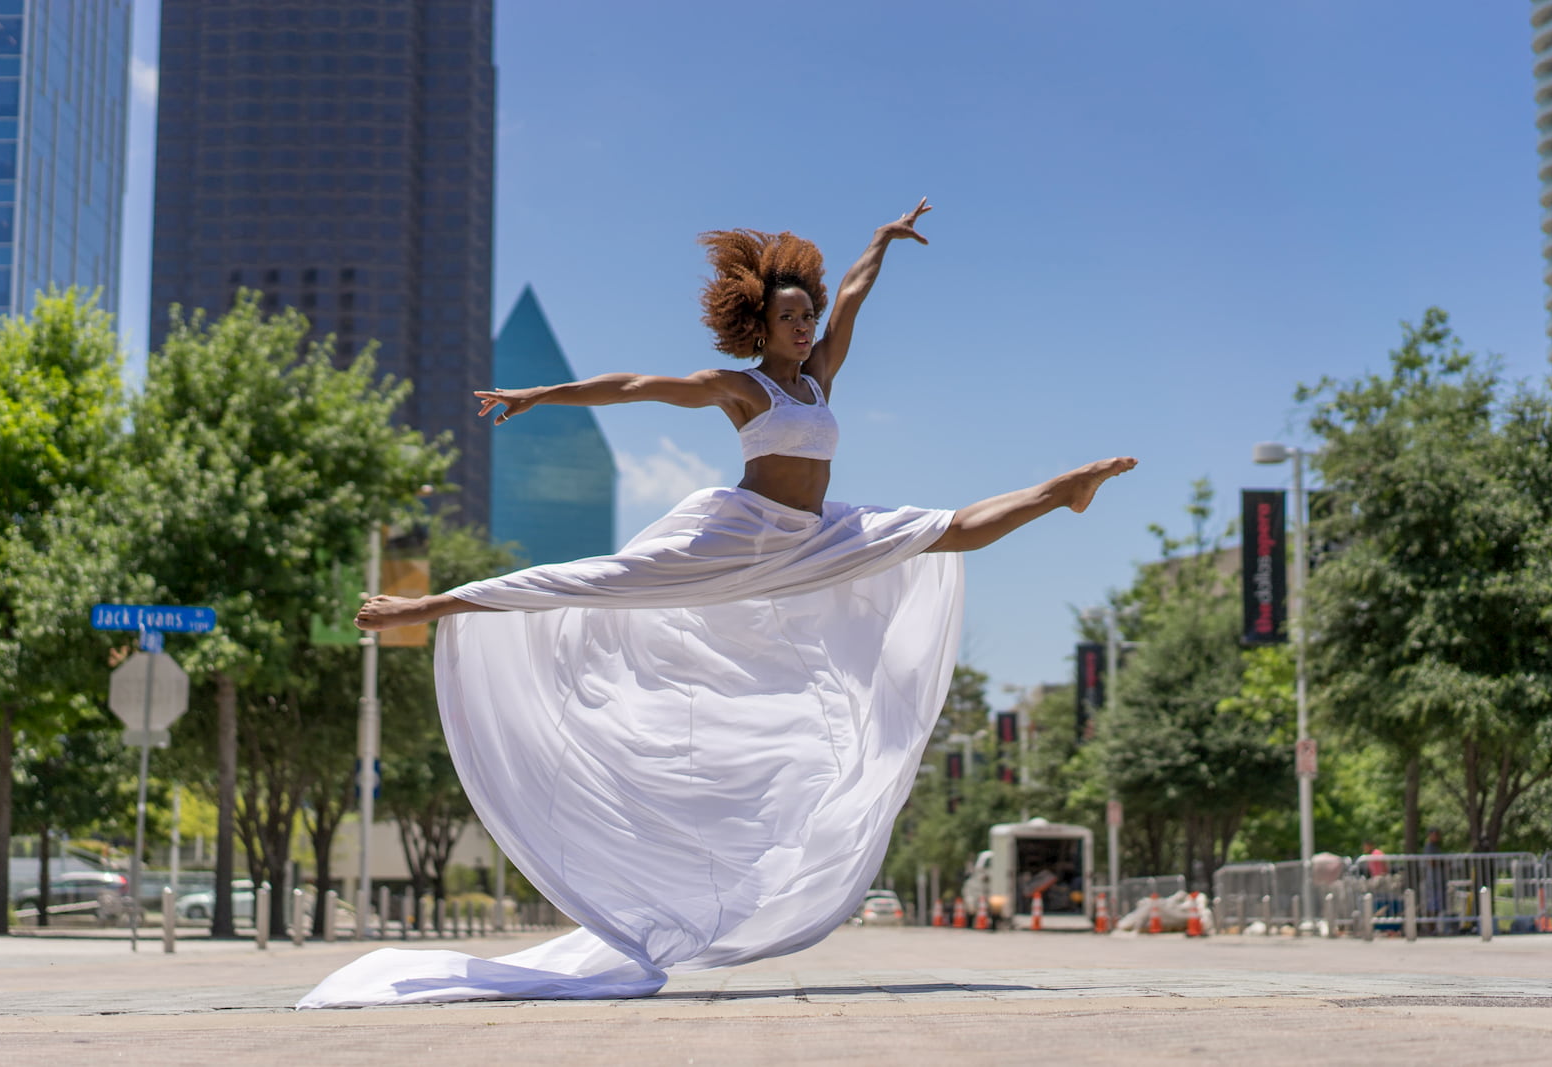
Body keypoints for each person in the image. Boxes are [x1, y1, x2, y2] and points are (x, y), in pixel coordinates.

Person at [298, 201, 1135, 1009]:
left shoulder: (818, 380)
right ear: (760, 326)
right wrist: (539, 396)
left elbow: (852, 296)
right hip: (743, 535)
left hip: (815, 535)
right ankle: (433, 604)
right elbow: (637, 385)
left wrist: (880, 238)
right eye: (792, 320)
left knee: (943, 533)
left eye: (809, 318)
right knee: (600, 580)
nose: (807, 329)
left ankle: (1062, 491)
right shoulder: (744, 392)